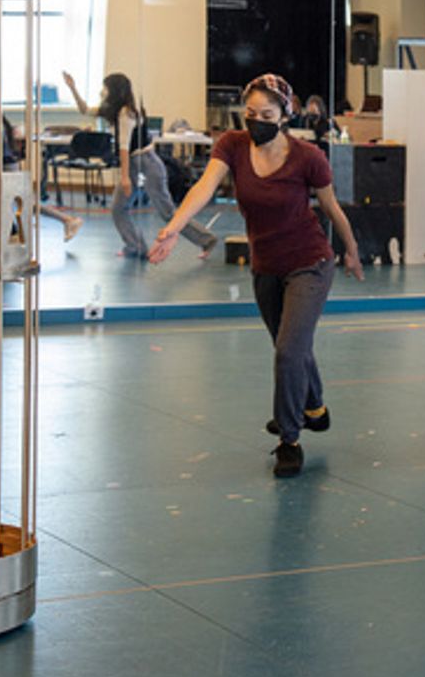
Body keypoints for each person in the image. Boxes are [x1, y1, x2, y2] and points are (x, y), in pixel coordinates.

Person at [150, 74, 363, 478]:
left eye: (266, 114)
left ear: (285, 115)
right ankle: (314, 408)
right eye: (250, 113)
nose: (256, 121)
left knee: (288, 350)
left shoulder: (308, 157)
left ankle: (289, 439)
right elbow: (204, 188)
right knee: (293, 346)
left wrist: (351, 251)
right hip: (266, 265)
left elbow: (333, 209)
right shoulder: (232, 145)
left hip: (311, 263)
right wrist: (174, 227)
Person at [64, 70, 217, 260]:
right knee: (118, 208)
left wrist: (125, 177)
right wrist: (73, 88)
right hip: (134, 164)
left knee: (168, 212)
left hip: (147, 162)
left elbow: (124, 147)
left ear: (114, 90)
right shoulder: (111, 110)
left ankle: (207, 240)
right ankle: (135, 246)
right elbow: (84, 110)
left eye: (105, 88)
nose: (102, 92)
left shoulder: (126, 113)